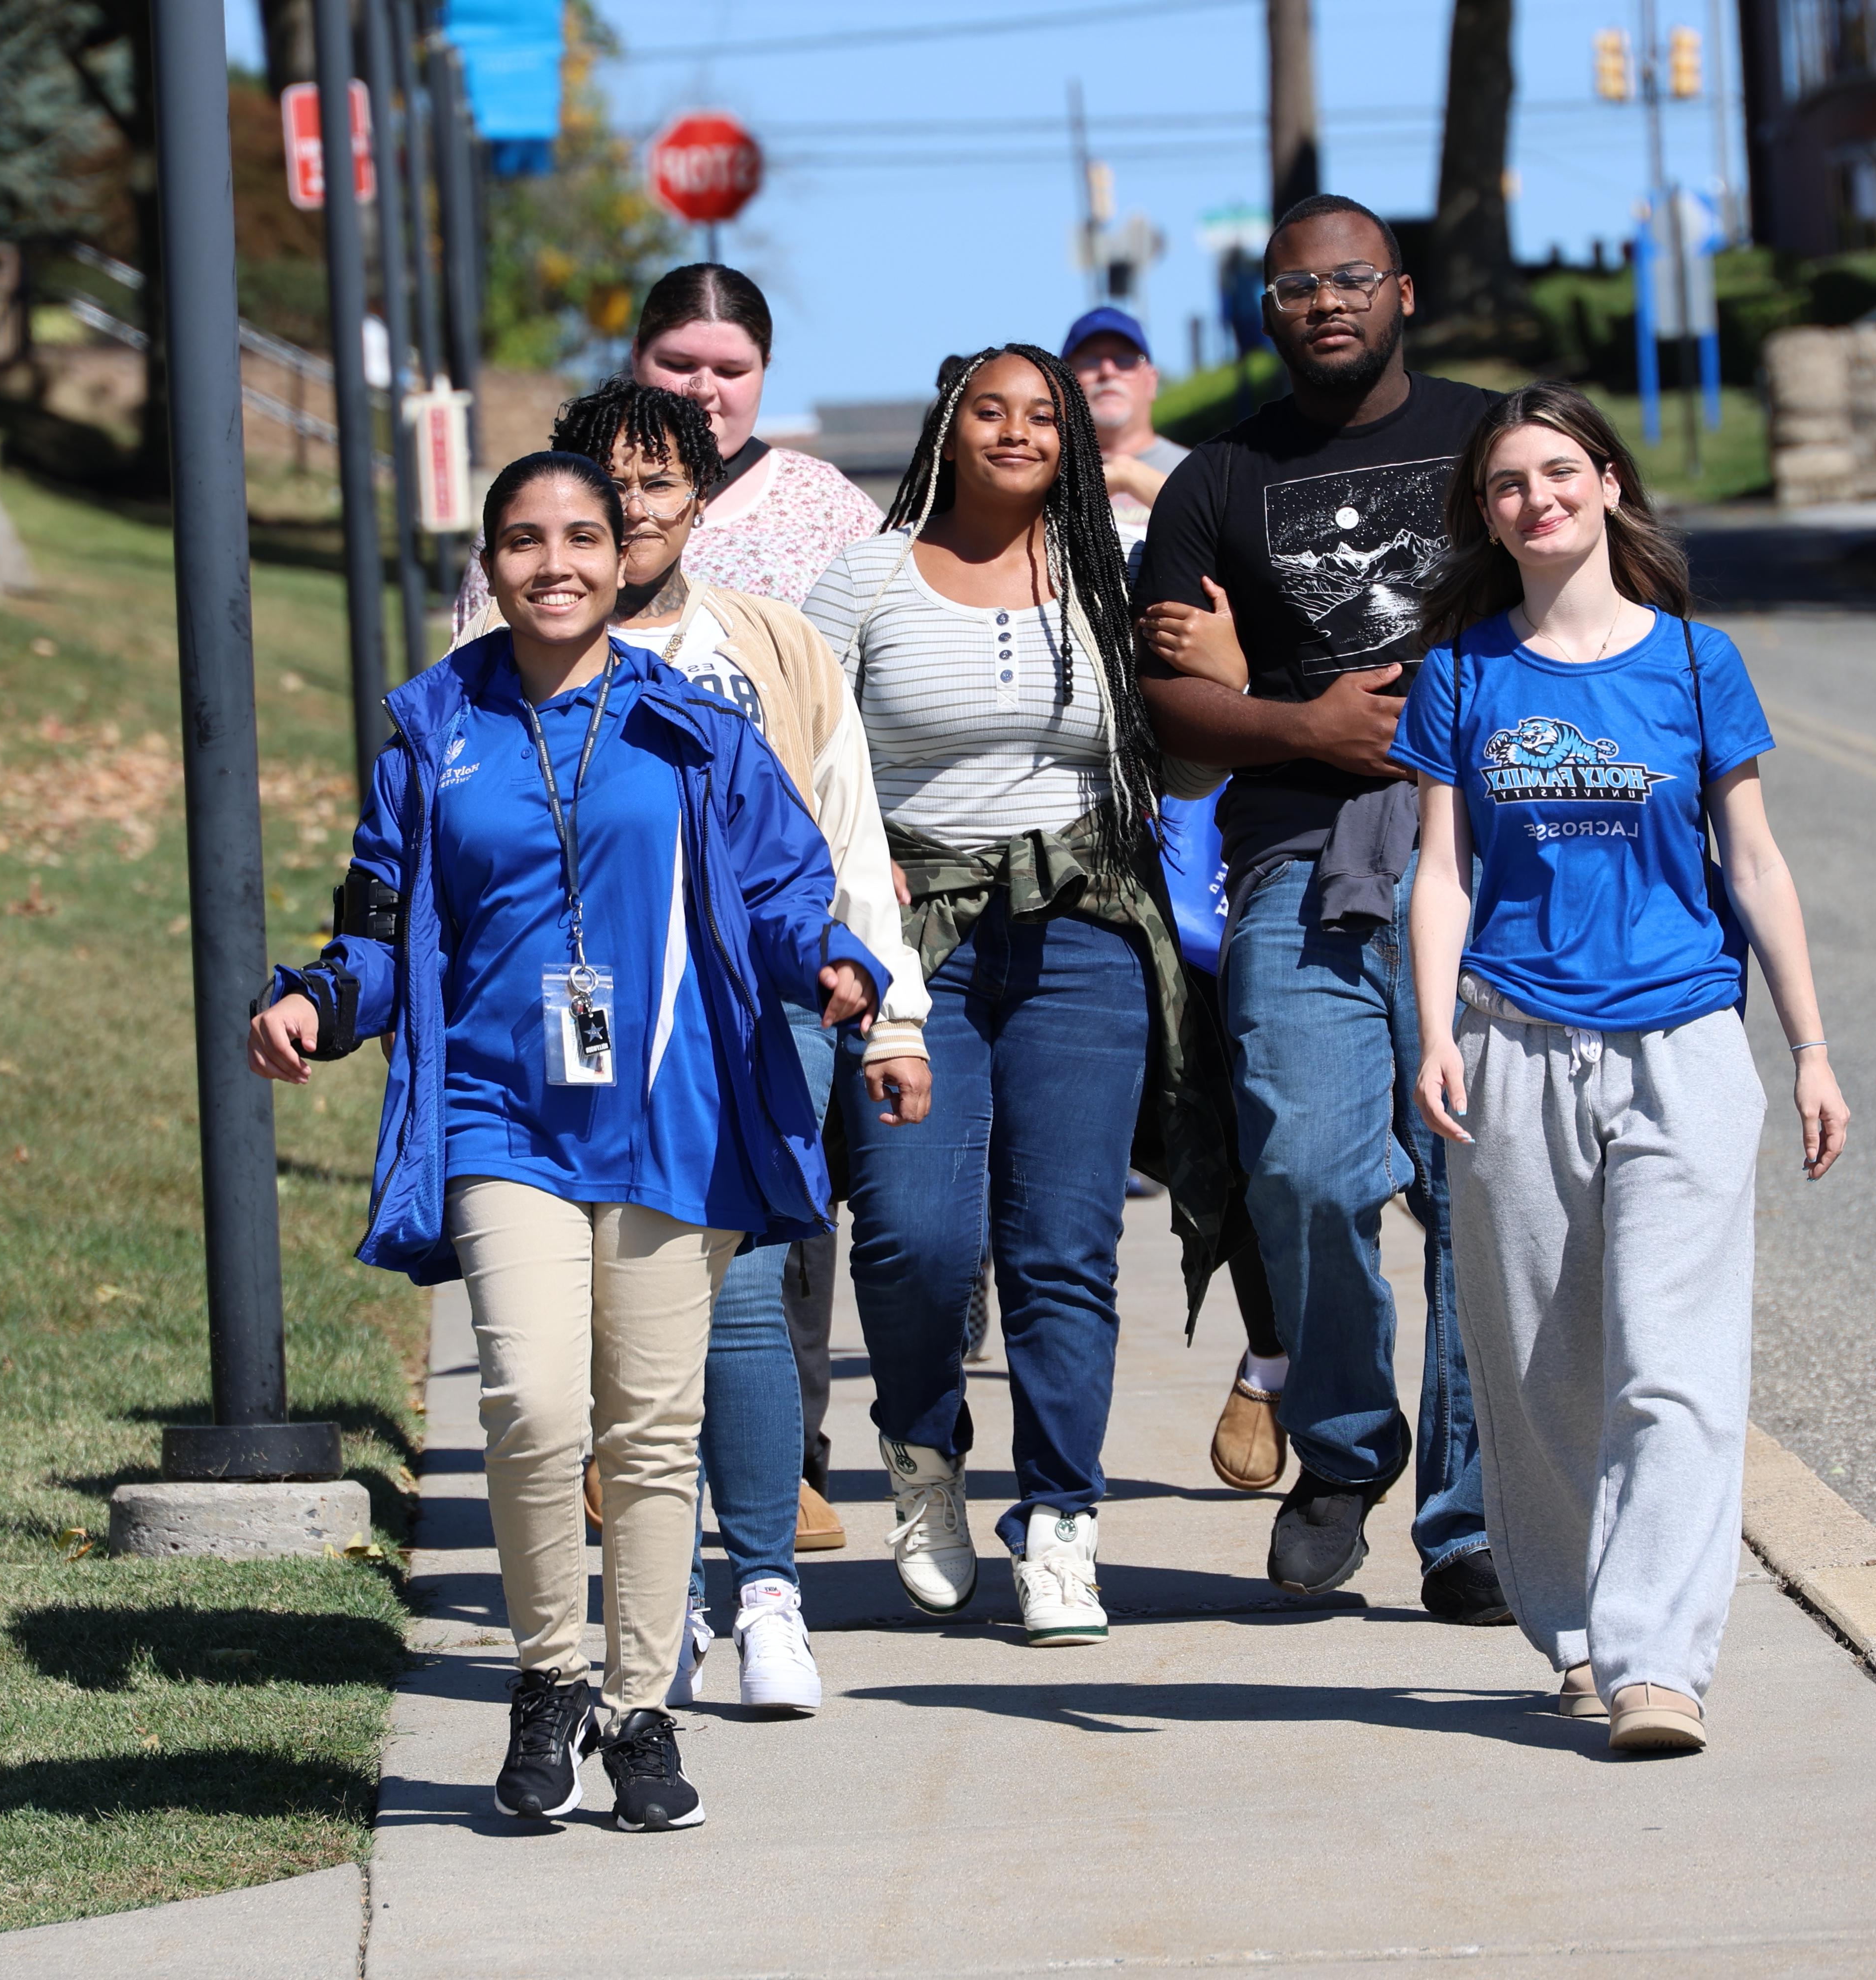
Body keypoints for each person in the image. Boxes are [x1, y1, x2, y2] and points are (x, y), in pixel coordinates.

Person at [250, 452, 888, 1830]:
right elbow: (377, 923)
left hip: (672, 1110)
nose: (558, 565)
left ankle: (641, 1711)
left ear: (623, 556)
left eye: (584, 539)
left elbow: (784, 892)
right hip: (499, 1109)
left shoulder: (695, 727)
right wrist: (316, 998)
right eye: (527, 541)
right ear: (490, 564)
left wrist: (833, 967)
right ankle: (549, 1682)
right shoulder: (434, 728)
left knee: (655, 1430)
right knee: (535, 1408)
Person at [1400, 385, 1849, 1753]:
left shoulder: (1699, 664)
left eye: (1558, 473)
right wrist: (1434, 1034)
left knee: (1677, 1367)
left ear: (1606, 483)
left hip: (1684, 1045)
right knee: (1540, 1373)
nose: (1536, 501)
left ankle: (1662, 1663)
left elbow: (1755, 864)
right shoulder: (1464, 672)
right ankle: (1581, 1633)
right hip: (1513, 1043)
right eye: (1506, 487)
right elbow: (1442, 874)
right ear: (1488, 517)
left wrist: (1814, 1046)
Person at [804, 343, 1237, 1645]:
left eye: (1042, 413)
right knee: (915, 1235)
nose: (1016, 429)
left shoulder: (1112, 567)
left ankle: (1062, 1524)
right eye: (989, 408)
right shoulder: (868, 578)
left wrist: (1222, 671)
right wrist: (850, 863)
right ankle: (924, 1448)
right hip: (917, 945)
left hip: (1086, 940)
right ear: (949, 426)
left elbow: (1189, 777)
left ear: (1073, 439)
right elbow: (803, 757)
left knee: (1064, 1250)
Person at [528, 377, 933, 1713]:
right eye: (606, 481)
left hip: (756, 1016)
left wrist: (892, 1010)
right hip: (582, 1023)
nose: (632, 508)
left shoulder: (773, 645)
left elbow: (847, 836)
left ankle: (763, 1595)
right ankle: (661, 1604)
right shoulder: (514, 656)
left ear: (701, 502)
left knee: (748, 1292)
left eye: (658, 483)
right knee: (617, 1310)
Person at [1130, 193, 1501, 1621]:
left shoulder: (1488, 442)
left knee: (1476, 1196)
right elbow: (1172, 700)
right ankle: (1344, 1450)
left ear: (1402, 292)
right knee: (1306, 1169)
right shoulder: (1216, 482)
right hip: (1301, 860)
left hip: (1486, 864)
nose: (1326, 302)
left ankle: (1465, 1522)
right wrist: (1308, 727)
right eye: (1297, 287)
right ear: (1266, 312)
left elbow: (1591, 598)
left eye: (1352, 279)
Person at [453, 265, 882, 631]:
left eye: (731, 370)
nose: (702, 389)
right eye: (679, 365)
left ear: (765, 367)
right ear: (636, 355)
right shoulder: (539, 496)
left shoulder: (826, 504)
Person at [1062, 305, 1187, 539]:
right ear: (1062, 384)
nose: (1108, 372)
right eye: (1090, 361)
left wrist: (1126, 473)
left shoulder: (1201, 470)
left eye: (1125, 360)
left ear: (1152, 381)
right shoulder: (1038, 473)